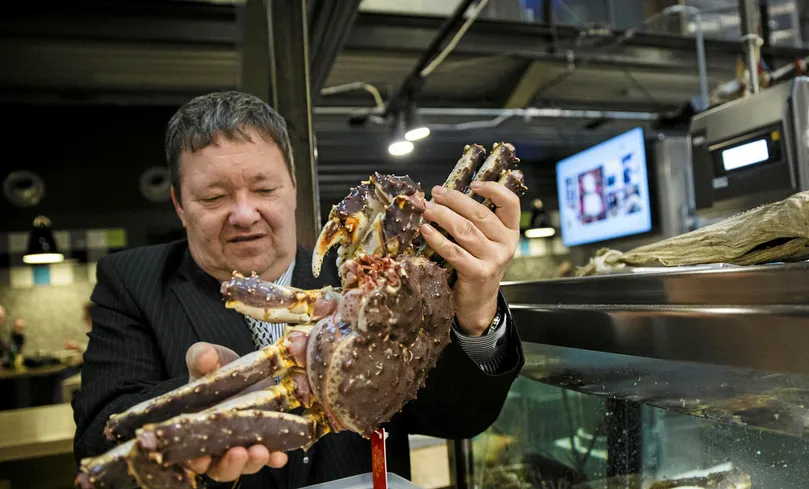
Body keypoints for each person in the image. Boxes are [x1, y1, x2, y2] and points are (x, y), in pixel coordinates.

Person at [72, 91, 525, 488]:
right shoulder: (132, 281)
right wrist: (206, 405)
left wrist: (478, 310)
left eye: (264, 188)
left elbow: (459, 419)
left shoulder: (369, 276)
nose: (244, 214)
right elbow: (98, 434)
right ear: (179, 204)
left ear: (293, 188)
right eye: (214, 197)